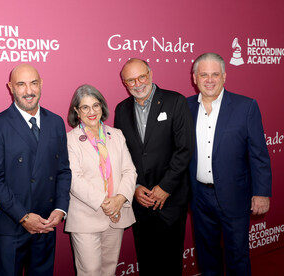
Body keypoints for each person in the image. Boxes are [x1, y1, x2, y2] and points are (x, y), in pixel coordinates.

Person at [188, 52, 272, 275]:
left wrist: (262, 192)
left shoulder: (246, 107)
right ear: (194, 78)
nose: (209, 80)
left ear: (224, 76)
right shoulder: (185, 108)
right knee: (207, 255)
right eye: (203, 74)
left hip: (235, 196)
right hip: (199, 197)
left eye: (215, 74)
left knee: (237, 255)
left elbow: (259, 155)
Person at [0, 64, 72, 276]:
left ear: (41, 84)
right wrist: (23, 217)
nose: (28, 90)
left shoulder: (56, 122)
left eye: (33, 83)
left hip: (46, 222)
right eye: (21, 84)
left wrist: (60, 209)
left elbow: (63, 171)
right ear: (10, 87)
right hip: (12, 224)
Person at [114, 58, 194, 275]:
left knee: (170, 262)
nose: (138, 83)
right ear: (124, 83)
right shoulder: (121, 110)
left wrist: (165, 187)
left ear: (150, 74)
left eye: (142, 76)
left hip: (170, 198)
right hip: (140, 200)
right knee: (147, 260)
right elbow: (123, 155)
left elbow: (184, 149)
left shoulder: (175, 101)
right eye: (131, 80)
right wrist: (135, 186)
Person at [65, 84, 137, 276]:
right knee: (90, 272)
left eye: (96, 105)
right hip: (86, 215)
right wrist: (105, 203)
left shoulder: (117, 135)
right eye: (85, 107)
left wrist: (119, 199)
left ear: (102, 107)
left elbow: (129, 170)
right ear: (77, 111)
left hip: (116, 213)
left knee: (109, 269)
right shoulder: (70, 139)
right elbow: (74, 179)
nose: (91, 111)